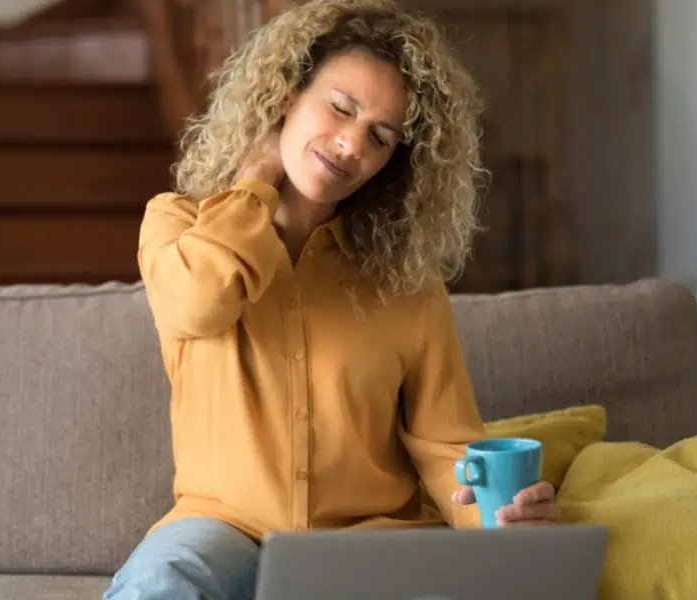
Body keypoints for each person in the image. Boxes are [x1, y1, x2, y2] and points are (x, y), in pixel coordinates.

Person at [105, 1, 559, 598]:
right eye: (340, 108)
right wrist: (256, 185)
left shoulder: (406, 282)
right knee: (161, 581)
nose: (350, 145)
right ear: (288, 95)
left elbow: (446, 448)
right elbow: (197, 305)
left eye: (379, 136)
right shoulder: (177, 226)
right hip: (222, 529)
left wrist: (503, 520)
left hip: (369, 542)